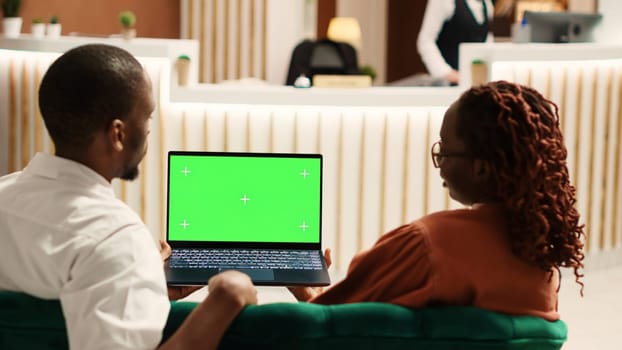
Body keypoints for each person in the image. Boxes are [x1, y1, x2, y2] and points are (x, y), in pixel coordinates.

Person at [0, 44, 257, 350]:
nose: (149, 131)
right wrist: (227, 297)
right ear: (118, 134)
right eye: (147, 118)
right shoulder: (115, 239)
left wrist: (140, 284)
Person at [289, 80, 585, 322]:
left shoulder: (426, 246)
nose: (440, 162)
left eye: (444, 150)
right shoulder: (541, 262)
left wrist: (306, 293)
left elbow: (324, 326)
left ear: (480, 168)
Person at [417, 0, 495, 84]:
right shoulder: (444, 2)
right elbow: (426, 41)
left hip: (474, 84)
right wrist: (446, 73)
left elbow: (486, 39)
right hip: (447, 85)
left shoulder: (487, 4)